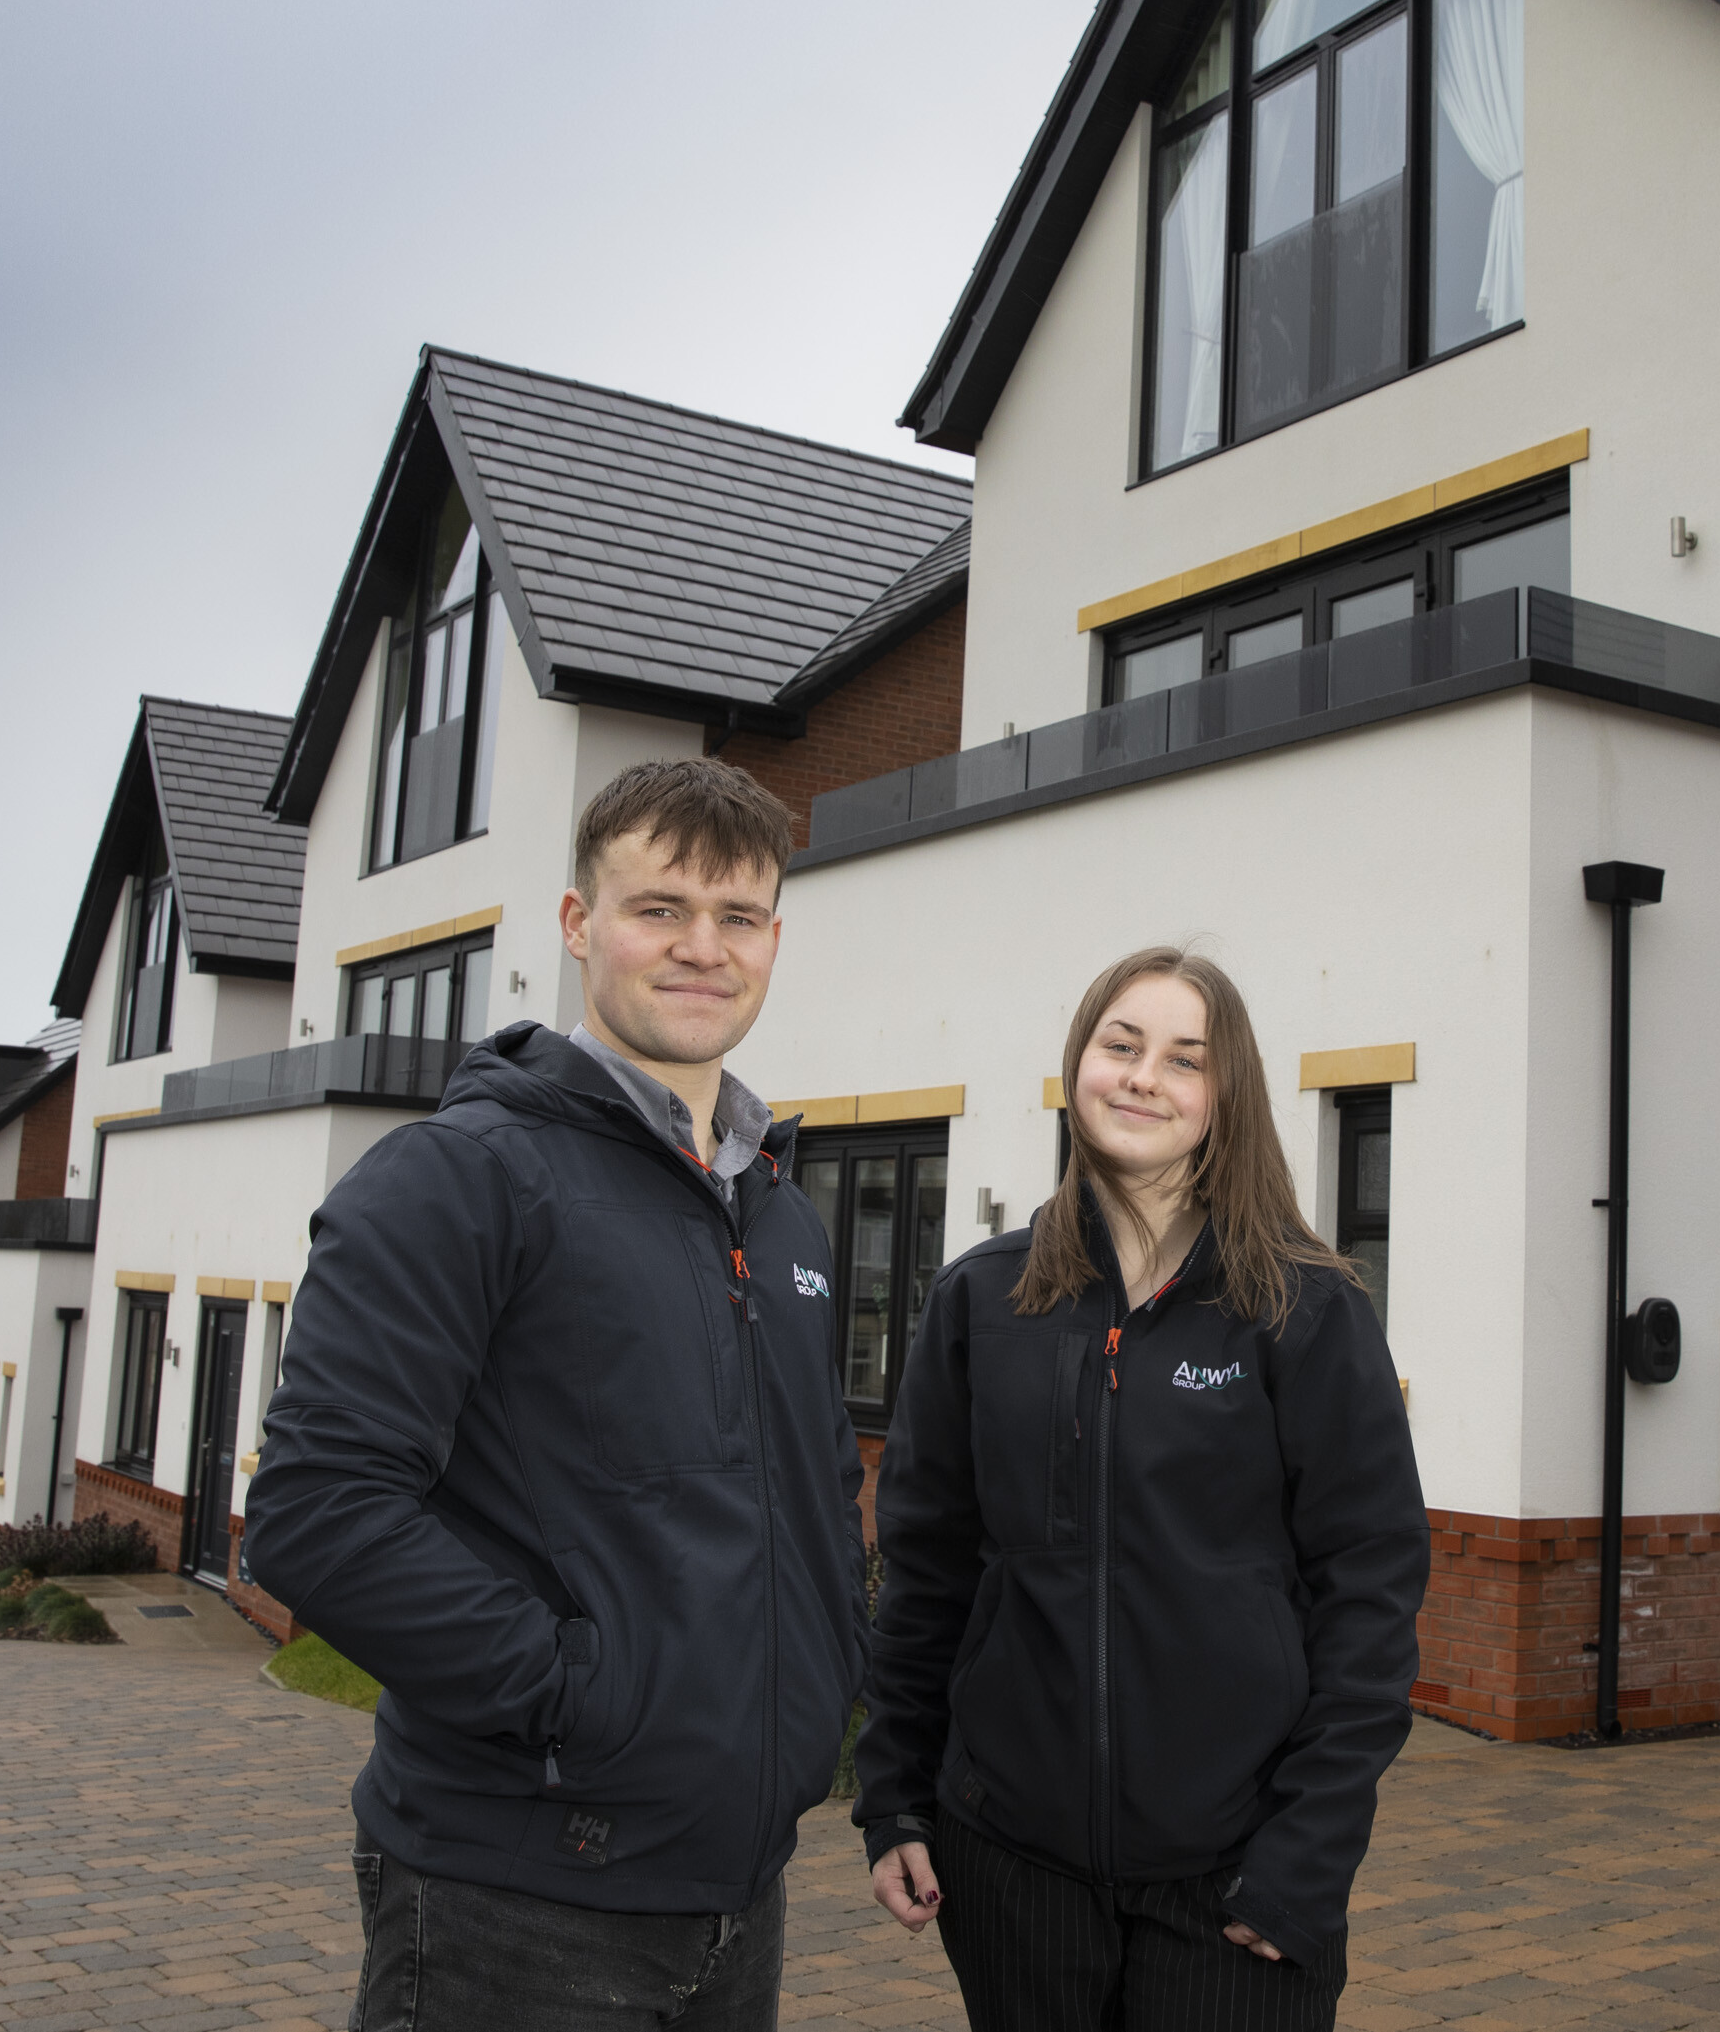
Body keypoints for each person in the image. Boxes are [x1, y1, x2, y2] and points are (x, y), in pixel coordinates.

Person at [247, 758, 862, 2032]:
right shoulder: (456, 1178)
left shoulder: (782, 1213)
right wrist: (585, 1700)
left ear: (776, 939)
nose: (703, 947)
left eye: (737, 916)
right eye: (659, 909)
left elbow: (804, 1499)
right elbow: (319, 1512)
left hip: (738, 1889)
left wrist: (825, 1676)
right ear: (579, 925)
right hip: (517, 1900)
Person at [857, 946, 1429, 2029]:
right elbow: (926, 1570)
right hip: (1013, 1863)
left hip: (1233, 1876)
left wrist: (1305, 1853)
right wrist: (893, 1795)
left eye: (1184, 1057)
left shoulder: (1302, 1307)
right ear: (1077, 1063)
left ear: (1225, 1096)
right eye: (1120, 1044)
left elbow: (1370, 1594)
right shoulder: (983, 1299)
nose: (1142, 1076)